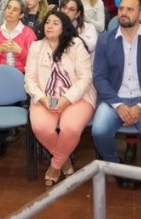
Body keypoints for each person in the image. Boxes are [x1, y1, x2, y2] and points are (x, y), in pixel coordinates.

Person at [92, 0, 141, 189]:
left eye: (130, 9)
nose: (124, 13)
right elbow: (99, 78)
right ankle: (116, 167)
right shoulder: (105, 40)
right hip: (114, 98)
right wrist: (118, 105)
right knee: (99, 131)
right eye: (121, 9)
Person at [24, 11, 95, 187]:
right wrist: (42, 99)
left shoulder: (76, 45)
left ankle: (55, 166)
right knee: (41, 127)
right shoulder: (36, 47)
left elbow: (86, 78)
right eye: (48, 22)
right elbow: (30, 80)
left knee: (69, 128)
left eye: (55, 23)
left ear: (64, 27)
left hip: (77, 97)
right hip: (45, 98)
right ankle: (64, 160)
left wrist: (67, 99)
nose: (49, 26)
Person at [0, 0, 37, 73]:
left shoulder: (29, 33)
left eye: (15, 10)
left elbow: (34, 62)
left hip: (21, 74)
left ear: (21, 15)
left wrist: (19, 51)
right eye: (8, 8)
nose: (10, 12)